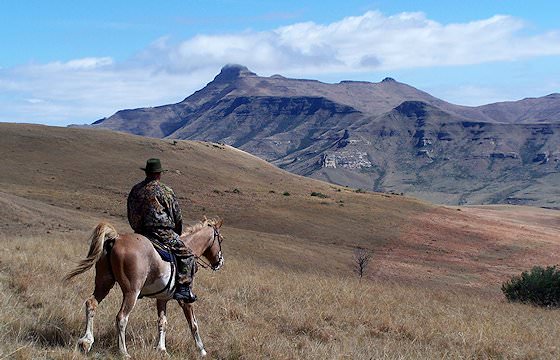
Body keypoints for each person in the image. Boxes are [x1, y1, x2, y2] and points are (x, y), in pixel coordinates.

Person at [127, 158, 197, 302]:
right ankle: (183, 289)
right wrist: (176, 232)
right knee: (188, 254)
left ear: (146, 172)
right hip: (162, 233)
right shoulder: (165, 191)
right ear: (159, 174)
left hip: (141, 233)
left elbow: (130, 212)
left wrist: (137, 228)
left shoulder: (135, 189)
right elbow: (177, 215)